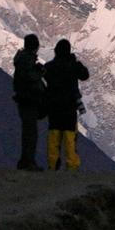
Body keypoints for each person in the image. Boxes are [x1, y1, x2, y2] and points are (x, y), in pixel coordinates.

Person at [43, 39, 90, 171]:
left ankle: (52, 165)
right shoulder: (73, 66)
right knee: (70, 138)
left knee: (54, 137)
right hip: (69, 108)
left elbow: (43, 77)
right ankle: (72, 166)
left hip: (54, 108)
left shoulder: (49, 66)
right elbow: (85, 75)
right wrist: (75, 62)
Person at [12, 33, 46, 171]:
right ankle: (28, 162)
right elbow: (30, 78)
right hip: (29, 100)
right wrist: (40, 72)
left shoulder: (22, 59)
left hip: (25, 100)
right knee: (30, 133)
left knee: (28, 132)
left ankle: (26, 161)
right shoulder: (27, 61)